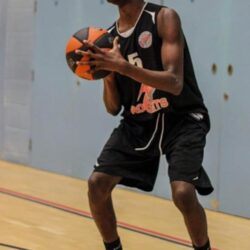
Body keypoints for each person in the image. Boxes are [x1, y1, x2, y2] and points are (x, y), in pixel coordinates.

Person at [77, 0, 213, 249]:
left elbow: (174, 82)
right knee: (97, 185)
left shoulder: (163, 18)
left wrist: (123, 67)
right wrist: (108, 77)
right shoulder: (108, 38)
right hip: (139, 122)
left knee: (183, 193)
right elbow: (112, 108)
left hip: (182, 118)